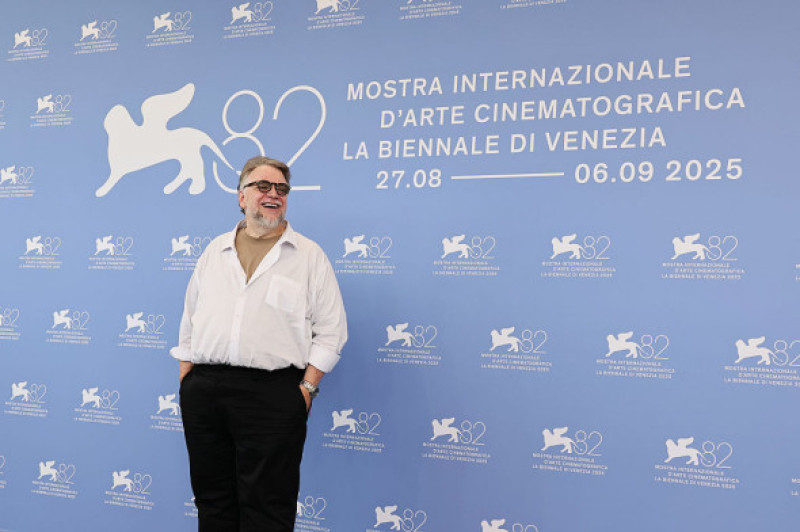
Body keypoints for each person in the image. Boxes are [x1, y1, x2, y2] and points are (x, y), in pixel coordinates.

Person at [170, 155, 347, 531]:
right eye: (262, 186)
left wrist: (306, 388)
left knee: (268, 509)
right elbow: (190, 319)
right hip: (206, 392)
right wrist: (188, 382)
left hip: (275, 395)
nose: (273, 194)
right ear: (241, 196)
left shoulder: (309, 256)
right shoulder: (213, 252)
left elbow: (331, 331)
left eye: (281, 189)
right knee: (212, 503)